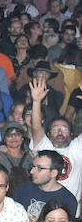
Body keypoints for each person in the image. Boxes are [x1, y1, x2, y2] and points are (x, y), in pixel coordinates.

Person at [29, 77, 82, 210]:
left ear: (71, 134)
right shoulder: (44, 146)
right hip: (41, 210)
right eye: (55, 128)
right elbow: (36, 126)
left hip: (69, 211)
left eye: (64, 129)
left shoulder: (76, 148)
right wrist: (36, 101)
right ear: (48, 133)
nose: (59, 132)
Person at [12, 150, 78, 222]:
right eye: (33, 166)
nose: (32, 171)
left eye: (39, 168)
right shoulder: (23, 190)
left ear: (53, 173)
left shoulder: (67, 200)